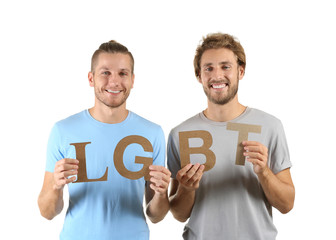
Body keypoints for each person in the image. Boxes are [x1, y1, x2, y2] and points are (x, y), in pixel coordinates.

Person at [38, 40, 171, 240]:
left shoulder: (153, 132)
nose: (114, 81)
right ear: (91, 78)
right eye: (105, 72)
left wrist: (162, 194)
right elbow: (47, 212)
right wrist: (56, 187)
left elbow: (156, 216)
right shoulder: (63, 130)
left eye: (123, 73)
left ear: (133, 80)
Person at [167, 33, 295, 240]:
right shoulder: (178, 134)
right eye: (209, 68)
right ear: (199, 76)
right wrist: (186, 189)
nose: (217, 75)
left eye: (225, 66)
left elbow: (287, 204)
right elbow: (179, 214)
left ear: (240, 71)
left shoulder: (270, 126)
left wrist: (264, 173)